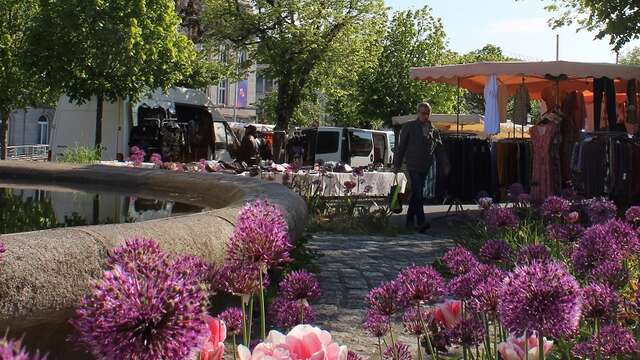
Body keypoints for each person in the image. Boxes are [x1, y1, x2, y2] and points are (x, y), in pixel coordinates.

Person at [393, 102, 440, 233]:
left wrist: (445, 163)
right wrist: (396, 165)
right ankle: (421, 221)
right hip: (412, 164)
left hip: (425, 165)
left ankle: (409, 220)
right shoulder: (410, 127)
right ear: (418, 113)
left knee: (417, 194)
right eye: (422, 113)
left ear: (430, 114)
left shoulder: (433, 129)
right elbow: (401, 147)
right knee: (418, 191)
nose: (424, 115)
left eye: (427, 113)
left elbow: (439, 148)